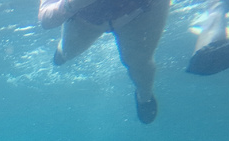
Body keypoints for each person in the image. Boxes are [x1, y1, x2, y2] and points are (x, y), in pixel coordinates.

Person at [38, 0, 171, 123]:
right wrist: (73, 3)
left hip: (140, 11)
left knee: (138, 62)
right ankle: (62, 52)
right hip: (86, 18)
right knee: (68, 51)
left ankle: (144, 96)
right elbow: (45, 20)